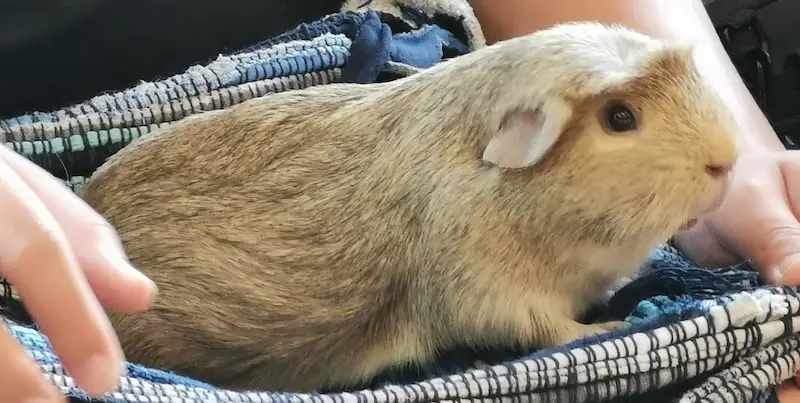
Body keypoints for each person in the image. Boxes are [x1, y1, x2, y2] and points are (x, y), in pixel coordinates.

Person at [1, 0, 799, 401]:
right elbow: (487, 305)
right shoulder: (473, 214)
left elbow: (618, 62)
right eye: (621, 121)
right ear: (519, 143)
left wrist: (750, 166)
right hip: (85, 271)